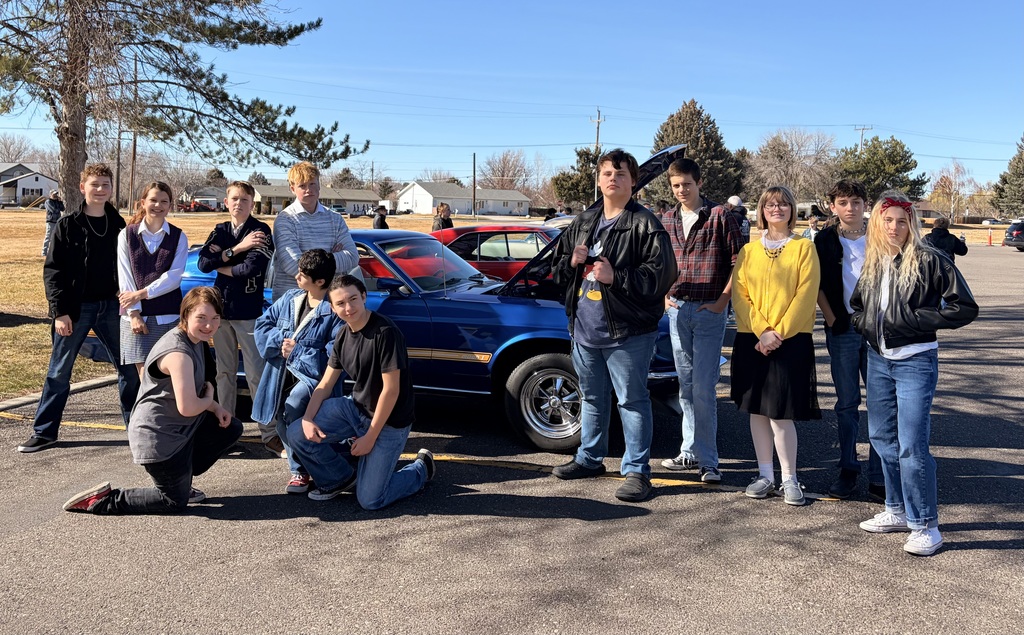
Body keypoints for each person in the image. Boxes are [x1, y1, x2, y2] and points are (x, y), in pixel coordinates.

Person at [850, 191, 977, 556]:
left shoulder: (930, 259)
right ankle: (896, 510)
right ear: (877, 223)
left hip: (915, 362)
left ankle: (926, 525)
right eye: (887, 220)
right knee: (881, 439)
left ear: (912, 224)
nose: (894, 227)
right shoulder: (875, 261)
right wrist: (865, 327)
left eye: (901, 221)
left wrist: (915, 320)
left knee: (912, 446)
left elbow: (964, 307)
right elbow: (858, 306)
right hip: (878, 360)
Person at [549, 148, 677, 502]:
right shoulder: (584, 221)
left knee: (632, 401)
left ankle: (637, 472)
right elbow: (558, 272)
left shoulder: (645, 223)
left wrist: (615, 277)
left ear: (633, 182)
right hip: (585, 331)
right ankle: (590, 458)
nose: (612, 178)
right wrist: (571, 262)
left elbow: (662, 276)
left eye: (620, 173)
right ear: (599, 179)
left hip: (627, 333)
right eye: (606, 172)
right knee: (591, 398)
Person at [62, 287, 244, 514]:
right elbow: (187, 407)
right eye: (202, 318)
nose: (210, 325)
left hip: (177, 430)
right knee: (172, 502)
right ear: (185, 315)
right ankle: (104, 500)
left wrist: (217, 408)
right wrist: (209, 400)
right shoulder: (179, 354)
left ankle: (181, 479)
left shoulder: (196, 339)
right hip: (157, 438)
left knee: (229, 427)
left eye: (215, 318)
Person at [17, 164, 141, 453]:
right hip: (76, 308)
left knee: (129, 369)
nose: (100, 189)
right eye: (94, 184)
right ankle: (45, 432)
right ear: (82, 187)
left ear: (112, 188)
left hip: (113, 307)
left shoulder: (119, 226)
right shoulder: (67, 225)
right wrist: (59, 312)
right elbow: (54, 272)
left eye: (106, 184)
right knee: (59, 371)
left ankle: (136, 428)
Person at [286, 274, 434, 508]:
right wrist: (307, 418)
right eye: (340, 303)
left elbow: (391, 391)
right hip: (355, 409)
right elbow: (324, 384)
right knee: (296, 433)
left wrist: (369, 438)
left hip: (389, 422)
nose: (348, 307)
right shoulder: (343, 335)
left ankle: (420, 470)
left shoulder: (385, 333)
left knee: (371, 500)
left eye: (353, 299)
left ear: (364, 297)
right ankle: (341, 478)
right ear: (333, 308)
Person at [731, 185, 821, 506]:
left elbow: (806, 295)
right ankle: (765, 474)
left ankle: (789, 478)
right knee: (757, 409)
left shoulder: (803, 248)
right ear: (762, 212)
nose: (777, 209)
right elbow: (740, 296)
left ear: (792, 210)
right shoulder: (749, 251)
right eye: (771, 205)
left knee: (781, 413)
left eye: (784, 204)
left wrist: (777, 333)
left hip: (790, 341)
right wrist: (762, 331)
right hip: (752, 340)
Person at [659, 158, 744, 484]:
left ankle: (709, 462)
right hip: (678, 310)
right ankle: (689, 451)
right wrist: (665, 295)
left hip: (710, 310)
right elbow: (660, 260)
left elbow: (740, 262)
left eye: (687, 185)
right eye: (676, 185)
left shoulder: (720, 216)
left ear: (699, 183)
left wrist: (723, 299)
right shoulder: (666, 219)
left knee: (704, 389)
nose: (682, 190)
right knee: (686, 386)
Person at [814, 180, 884, 500]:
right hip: (841, 329)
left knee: (881, 403)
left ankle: (880, 472)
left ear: (864, 204)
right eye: (843, 202)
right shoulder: (824, 239)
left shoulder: (880, 236)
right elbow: (814, 283)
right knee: (846, 404)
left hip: (879, 330)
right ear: (833, 206)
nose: (850, 208)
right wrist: (831, 318)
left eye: (856, 201)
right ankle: (847, 467)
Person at [253, 249, 343, 494]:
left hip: (313, 379)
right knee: (281, 416)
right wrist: (279, 341)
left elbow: (334, 356)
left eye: (303, 274)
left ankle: (303, 470)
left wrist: (297, 350)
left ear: (320, 282)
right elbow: (263, 324)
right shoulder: (290, 298)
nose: (296, 276)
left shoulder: (334, 311)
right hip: (281, 373)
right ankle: (301, 469)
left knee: (292, 409)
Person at [196, 181, 276, 451]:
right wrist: (238, 249)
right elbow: (204, 263)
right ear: (226, 202)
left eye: (244, 199)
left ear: (252, 203)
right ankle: (226, 431)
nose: (238, 203)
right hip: (221, 312)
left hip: (248, 312)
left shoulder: (261, 230)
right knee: (224, 372)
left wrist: (223, 263)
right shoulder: (220, 230)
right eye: (234, 199)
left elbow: (250, 270)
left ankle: (269, 432)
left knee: (256, 373)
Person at [117, 182, 188, 375]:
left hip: (168, 317)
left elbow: (174, 277)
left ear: (170, 206)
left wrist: (141, 294)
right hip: (137, 319)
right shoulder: (126, 235)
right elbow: (125, 276)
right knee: (145, 379)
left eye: (164, 201)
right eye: (153, 200)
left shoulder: (179, 237)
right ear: (142, 203)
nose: (158, 205)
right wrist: (134, 314)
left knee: (168, 377)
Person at [270, 161, 358, 302]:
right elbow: (293, 265)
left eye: (312, 184)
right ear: (292, 188)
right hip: (293, 303)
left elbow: (353, 257)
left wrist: (313, 261)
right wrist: (332, 257)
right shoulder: (285, 220)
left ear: (319, 185)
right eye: (302, 185)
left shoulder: (335, 219)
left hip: (330, 301)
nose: (308, 190)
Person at [42, 189, 64, 256]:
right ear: (50, 194)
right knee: (48, 237)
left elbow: (63, 208)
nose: (55, 196)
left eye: (56, 194)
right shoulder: (48, 202)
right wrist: (58, 208)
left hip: (57, 221)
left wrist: (60, 202)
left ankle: (52, 251)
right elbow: (53, 210)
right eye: (54, 194)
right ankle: (44, 252)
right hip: (50, 221)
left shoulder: (57, 202)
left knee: (56, 237)